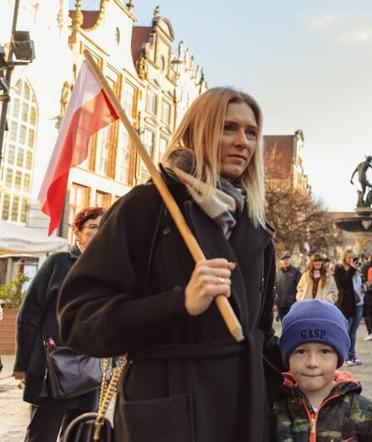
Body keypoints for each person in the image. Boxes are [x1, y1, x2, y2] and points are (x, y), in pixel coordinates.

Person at [57, 88, 282, 442]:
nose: (243, 142)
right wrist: (179, 303)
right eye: (228, 128)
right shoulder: (148, 207)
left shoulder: (255, 223)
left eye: (251, 132)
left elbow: (263, 333)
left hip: (245, 412)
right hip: (169, 412)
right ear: (198, 132)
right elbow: (78, 321)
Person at [13, 207, 104, 442]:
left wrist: (110, 361)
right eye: (93, 226)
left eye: (104, 226)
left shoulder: (106, 270)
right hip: (52, 368)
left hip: (90, 370)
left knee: (80, 435)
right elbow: (29, 314)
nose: (99, 231)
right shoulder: (58, 262)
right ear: (78, 233)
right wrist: (22, 364)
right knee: (41, 435)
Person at [274, 299, 372, 441]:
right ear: (287, 357)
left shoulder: (368, 414)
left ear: (338, 358)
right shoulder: (270, 411)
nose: (312, 362)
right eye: (301, 351)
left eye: (324, 351)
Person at [334, 250, 362, 366]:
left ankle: (353, 355)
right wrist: (351, 269)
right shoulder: (340, 269)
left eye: (352, 257)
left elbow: (359, 282)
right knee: (347, 331)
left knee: (353, 332)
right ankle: (345, 357)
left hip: (358, 303)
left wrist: (364, 285)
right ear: (344, 257)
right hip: (346, 304)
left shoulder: (355, 270)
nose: (351, 259)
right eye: (349, 257)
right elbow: (342, 283)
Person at [275, 252, 301, 321]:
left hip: (292, 304)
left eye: (287, 259)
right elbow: (274, 287)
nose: (285, 261)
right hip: (280, 304)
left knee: (291, 322)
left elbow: (300, 287)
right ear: (280, 262)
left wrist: (297, 300)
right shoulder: (277, 273)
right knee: (283, 323)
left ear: (290, 260)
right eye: (283, 260)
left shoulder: (296, 272)